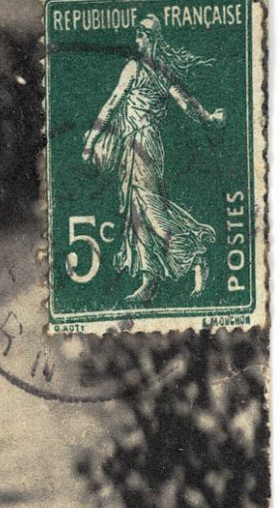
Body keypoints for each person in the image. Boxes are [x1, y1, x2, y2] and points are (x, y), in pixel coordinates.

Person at [82, 13, 226, 302]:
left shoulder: (135, 68)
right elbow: (186, 102)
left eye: (140, 35)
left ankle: (195, 253)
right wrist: (207, 117)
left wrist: (90, 141)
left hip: (142, 143)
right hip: (138, 144)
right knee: (138, 212)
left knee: (150, 209)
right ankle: (150, 280)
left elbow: (112, 104)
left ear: (150, 39)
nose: (137, 39)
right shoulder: (162, 71)